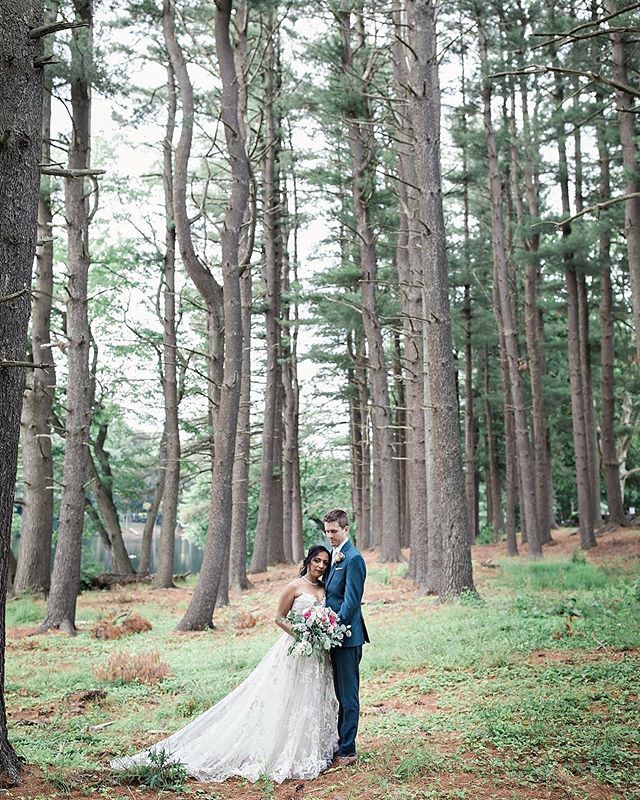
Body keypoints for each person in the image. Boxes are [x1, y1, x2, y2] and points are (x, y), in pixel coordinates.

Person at [111, 545, 338, 783]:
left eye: (324, 562)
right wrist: (299, 634)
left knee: (310, 698)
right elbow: (278, 618)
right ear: (309, 560)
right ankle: (280, 748)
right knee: (286, 698)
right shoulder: (294, 585)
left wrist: (321, 632)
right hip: (295, 649)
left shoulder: (324, 587)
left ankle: (308, 749)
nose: (321, 566)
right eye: (317, 561)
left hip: (317, 654)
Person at [323, 508, 368, 767]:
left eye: (334, 531)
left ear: (346, 529)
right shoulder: (333, 556)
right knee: (337, 693)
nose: (330, 536)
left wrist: (331, 627)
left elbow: (350, 604)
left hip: (347, 638)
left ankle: (348, 750)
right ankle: (339, 742)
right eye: (327, 531)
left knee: (348, 696)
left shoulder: (354, 559)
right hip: (331, 637)